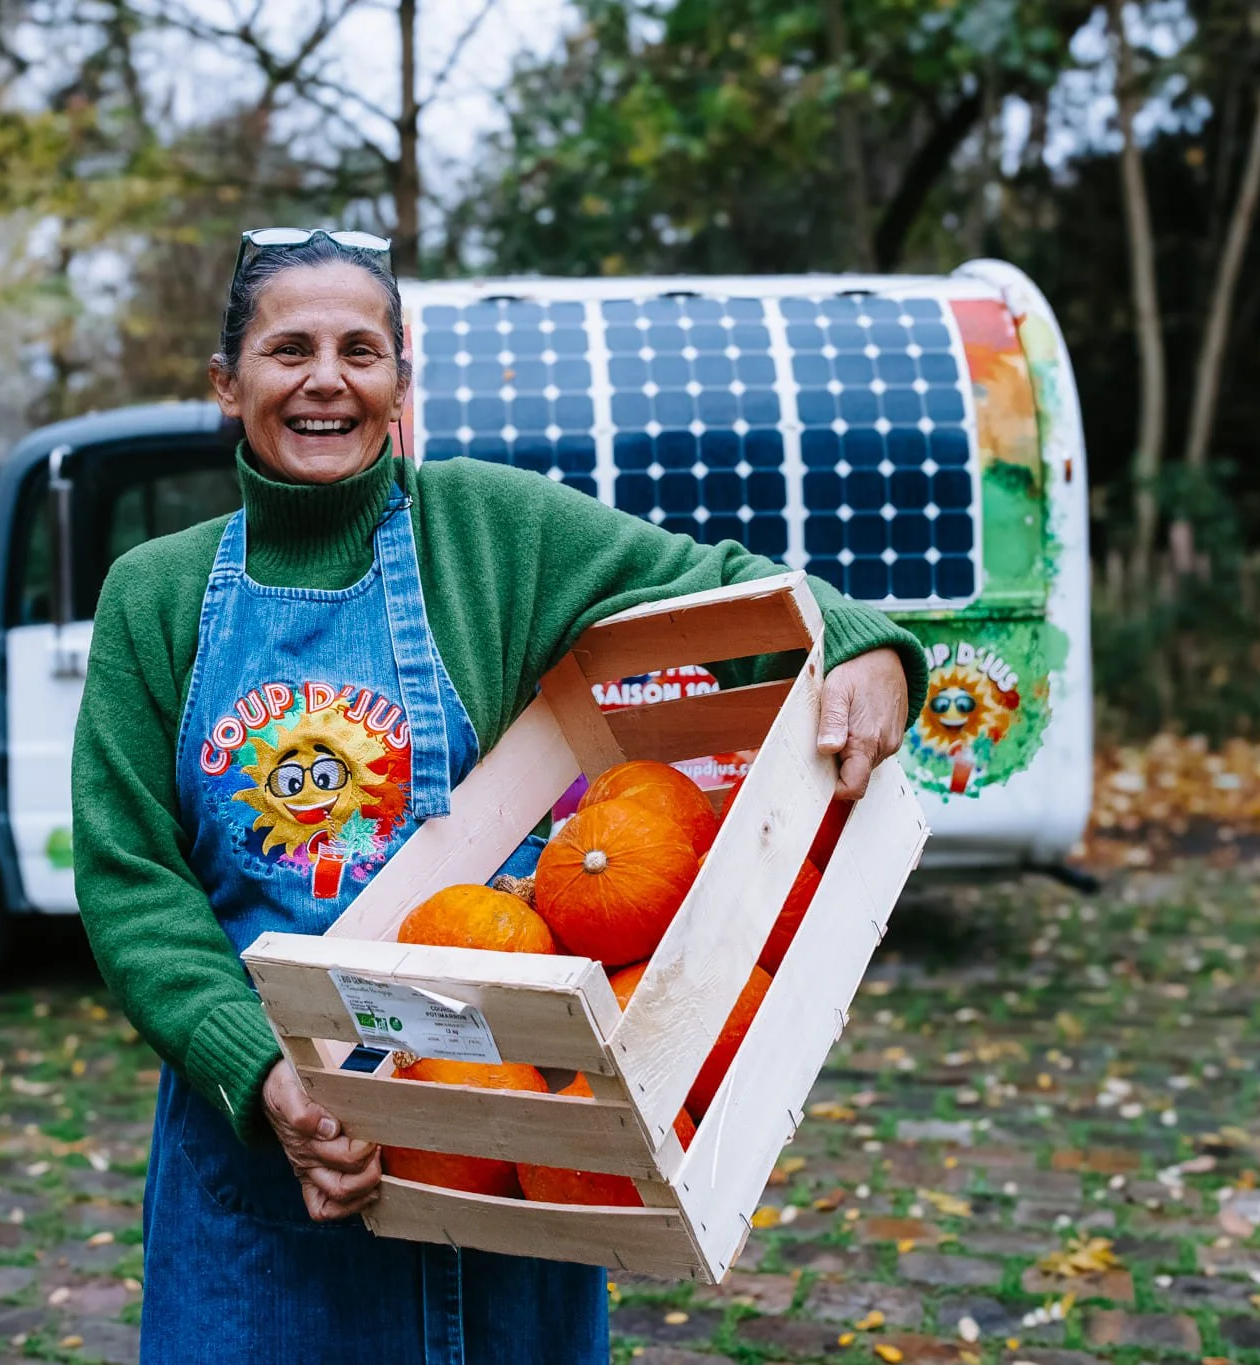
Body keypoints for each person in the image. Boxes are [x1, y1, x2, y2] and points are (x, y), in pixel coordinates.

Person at [71, 227, 926, 1364]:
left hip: (507, 1131)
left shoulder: (488, 531)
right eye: (289, 350)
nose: (327, 379)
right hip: (266, 1155)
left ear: (399, 379)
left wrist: (861, 641)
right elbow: (132, 880)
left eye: (360, 350)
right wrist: (262, 1073)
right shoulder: (156, 593)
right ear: (228, 383)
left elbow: (714, 581)